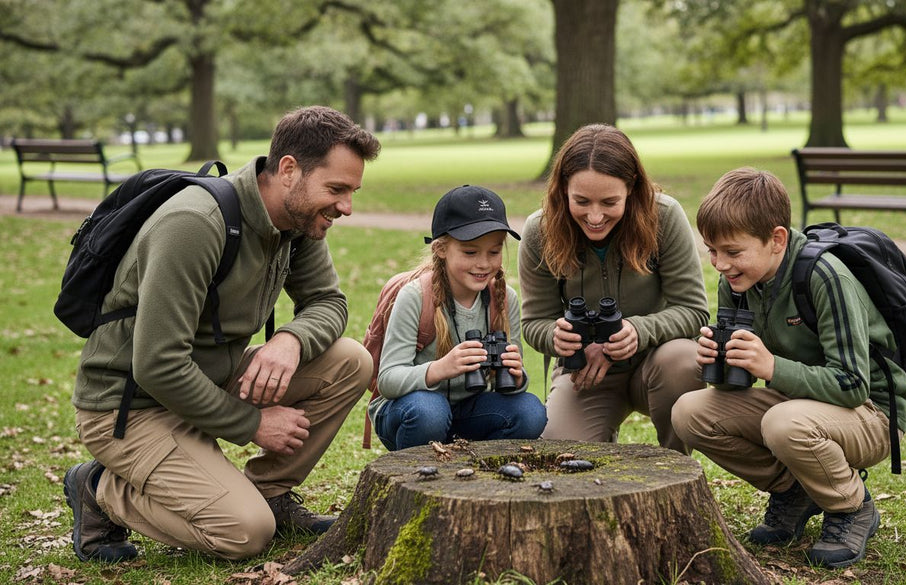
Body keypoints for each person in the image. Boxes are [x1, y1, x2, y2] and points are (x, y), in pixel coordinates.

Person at [63, 105, 381, 562]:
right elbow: (157, 364)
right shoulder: (195, 224)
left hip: (210, 378)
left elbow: (329, 302)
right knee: (245, 533)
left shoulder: (298, 223)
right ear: (288, 170)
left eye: (352, 191)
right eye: (337, 189)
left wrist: (290, 340)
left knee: (350, 360)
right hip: (130, 406)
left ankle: (269, 492)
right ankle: (99, 489)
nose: (346, 207)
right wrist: (253, 424)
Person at [671, 167, 906, 568]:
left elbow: (853, 384)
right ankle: (797, 490)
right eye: (711, 250)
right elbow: (738, 390)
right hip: (798, 404)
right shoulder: (736, 281)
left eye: (733, 252)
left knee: (784, 422)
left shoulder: (824, 277)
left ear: (777, 239)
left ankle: (852, 507)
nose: (719, 264)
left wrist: (769, 365)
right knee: (689, 413)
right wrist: (718, 363)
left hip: (872, 414)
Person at [518, 124, 709, 452]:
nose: (594, 216)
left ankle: (675, 466)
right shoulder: (540, 231)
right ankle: (600, 432)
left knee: (684, 359)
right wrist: (557, 337)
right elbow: (534, 323)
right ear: (563, 189)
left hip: (656, 364)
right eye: (581, 201)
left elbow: (694, 311)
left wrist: (637, 330)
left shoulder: (664, 217)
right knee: (561, 453)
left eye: (609, 202)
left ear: (632, 187)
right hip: (586, 375)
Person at [370, 185, 547, 450]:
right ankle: (416, 475)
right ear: (441, 249)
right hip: (410, 411)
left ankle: (475, 470)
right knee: (431, 411)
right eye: (470, 252)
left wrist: (517, 376)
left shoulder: (503, 298)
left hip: (468, 409)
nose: (484, 264)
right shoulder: (416, 296)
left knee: (531, 412)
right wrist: (441, 368)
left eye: (494, 251)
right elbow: (388, 379)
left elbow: (511, 386)